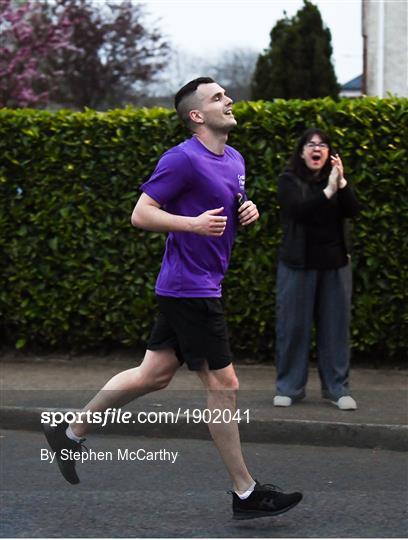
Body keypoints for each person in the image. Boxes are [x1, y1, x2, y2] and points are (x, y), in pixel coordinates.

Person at [43, 77, 302, 520]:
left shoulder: (235, 158)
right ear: (196, 116)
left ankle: (71, 432)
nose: (229, 100)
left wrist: (248, 210)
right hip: (190, 289)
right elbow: (141, 214)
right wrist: (192, 224)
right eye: (218, 97)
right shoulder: (181, 159)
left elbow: (228, 207)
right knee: (226, 386)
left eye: (226, 94)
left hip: (199, 284)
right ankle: (246, 493)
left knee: (154, 374)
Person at [273, 127, 360, 411]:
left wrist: (342, 184)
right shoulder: (288, 181)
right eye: (310, 144)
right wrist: (328, 191)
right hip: (297, 265)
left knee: (335, 330)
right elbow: (298, 210)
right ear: (301, 152)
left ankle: (337, 389)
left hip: (335, 266)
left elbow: (353, 209)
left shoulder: (336, 182)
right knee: (293, 328)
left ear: (329, 154)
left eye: (322, 145)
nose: (316, 149)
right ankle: (289, 388)